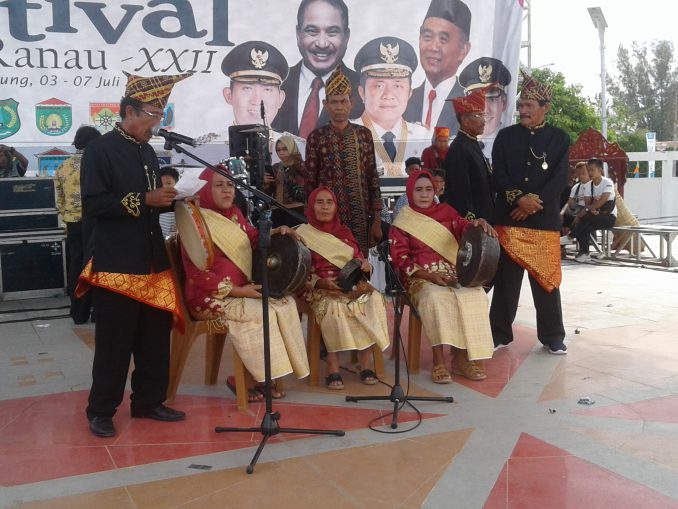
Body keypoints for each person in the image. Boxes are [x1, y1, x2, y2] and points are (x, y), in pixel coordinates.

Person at [77, 71, 192, 438]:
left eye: (160, 116)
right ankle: (101, 410)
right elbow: (94, 204)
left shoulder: (147, 152)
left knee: (154, 338)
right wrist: (145, 199)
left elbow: (149, 205)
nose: (156, 124)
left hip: (152, 260)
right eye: (152, 115)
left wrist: (172, 199)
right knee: (115, 343)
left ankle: (148, 401)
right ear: (129, 111)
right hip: (118, 263)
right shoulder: (100, 150)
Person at [181, 169, 310, 401]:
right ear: (205, 189)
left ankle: (266, 374)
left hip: (243, 290)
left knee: (285, 303)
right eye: (219, 185)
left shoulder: (234, 214)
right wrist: (239, 291)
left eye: (230, 185)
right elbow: (196, 274)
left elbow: (252, 238)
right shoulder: (195, 222)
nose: (226, 190)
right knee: (259, 313)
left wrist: (276, 232)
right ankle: (252, 379)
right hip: (208, 297)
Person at [489, 71, 570, 355]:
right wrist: (519, 200)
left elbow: (560, 179)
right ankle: (498, 333)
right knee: (506, 283)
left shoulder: (560, 138)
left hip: (543, 222)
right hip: (509, 219)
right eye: (521, 105)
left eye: (529, 106)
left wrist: (533, 203)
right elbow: (499, 173)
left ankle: (553, 336)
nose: (522, 110)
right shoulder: (505, 136)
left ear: (545, 108)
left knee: (546, 281)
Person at [390, 170, 496, 382]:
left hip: (453, 272)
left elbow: (465, 227)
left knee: (475, 295)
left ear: (435, 191)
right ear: (410, 191)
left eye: (428, 189)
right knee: (436, 298)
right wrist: (430, 276)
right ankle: (439, 361)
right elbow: (400, 259)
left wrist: (478, 223)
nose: (424, 194)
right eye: (418, 190)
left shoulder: (447, 212)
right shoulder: (403, 221)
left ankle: (462, 359)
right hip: (420, 277)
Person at [297, 186, 389, 389]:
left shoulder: (344, 231)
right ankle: (333, 365)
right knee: (334, 308)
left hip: (351, 284)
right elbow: (299, 270)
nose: (325, 207)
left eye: (329, 202)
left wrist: (365, 266)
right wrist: (320, 282)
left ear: (335, 207)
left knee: (373, 300)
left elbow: (358, 259)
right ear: (310, 206)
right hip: (321, 288)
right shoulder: (303, 234)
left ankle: (365, 363)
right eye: (319, 202)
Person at [305, 66, 383, 256]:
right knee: (329, 264)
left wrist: (377, 221)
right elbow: (310, 185)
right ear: (325, 104)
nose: (339, 107)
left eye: (343, 101)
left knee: (360, 266)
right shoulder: (316, 137)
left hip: (360, 218)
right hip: (327, 218)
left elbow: (372, 178)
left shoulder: (364, 135)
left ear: (351, 103)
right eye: (334, 102)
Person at [272, 0, 363, 138]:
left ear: (346, 37)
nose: (322, 43)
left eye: (332, 32)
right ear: (298, 34)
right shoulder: (275, 86)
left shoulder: (365, 92)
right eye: (312, 31)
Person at [352, 36, 431, 176]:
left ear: (409, 93)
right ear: (362, 92)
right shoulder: (348, 136)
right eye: (379, 86)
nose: (388, 95)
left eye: (397, 86)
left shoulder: (423, 137)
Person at [54, 125, 101, 324]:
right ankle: (98, 312)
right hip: (95, 222)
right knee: (97, 265)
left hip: (73, 224)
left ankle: (78, 313)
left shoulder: (63, 167)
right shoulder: (97, 164)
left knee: (76, 265)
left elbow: (59, 200)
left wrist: (68, 216)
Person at [404, 0, 472, 133]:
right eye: (427, 37)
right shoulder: (403, 103)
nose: (433, 47)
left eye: (443, 39)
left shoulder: (471, 108)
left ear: (463, 50)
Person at [443, 88, 494, 221]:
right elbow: (460, 192)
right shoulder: (459, 149)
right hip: (474, 223)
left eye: (484, 115)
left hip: (485, 219)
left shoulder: (472, 143)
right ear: (465, 119)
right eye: (478, 116)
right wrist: (471, 222)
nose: (483, 121)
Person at [221, 40, 289, 127]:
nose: (257, 101)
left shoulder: (293, 138)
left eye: (267, 90)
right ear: (229, 95)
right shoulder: (211, 137)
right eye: (247, 88)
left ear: (281, 99)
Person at [458, 56, 512, 161]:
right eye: (476, 100)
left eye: (491, 99)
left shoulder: (513, 144)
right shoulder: (456, 145)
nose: (484, 109)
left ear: (504, 102)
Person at [570, 158, 617, 263]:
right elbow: (588, 203)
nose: (590, 173)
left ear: (600, 170)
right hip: (593, 216)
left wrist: (589, 210)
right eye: (588, 170)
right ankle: (585, 253)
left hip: (608, 217)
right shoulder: (588, 185)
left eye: (592, 170)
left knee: (584, 219)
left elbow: (602, 201)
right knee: (584, 226)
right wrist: (590, 210)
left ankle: (570, 236)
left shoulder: (608, 183)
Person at [262, 135, 306, 227]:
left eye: (285, 149)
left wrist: (296, 160)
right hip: (278, 211)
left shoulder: (302, 165)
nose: (281, 153)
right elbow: (268, 193)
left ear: (292, 148)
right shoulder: (276, 167)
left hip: (297, 211)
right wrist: (266, 184)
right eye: (278, 150)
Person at [560, 161, 590, 237]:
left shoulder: (594, 186)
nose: (581, 176)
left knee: (583, 220)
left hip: (588, 212)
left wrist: (579, 215)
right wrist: (562, 213)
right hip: (577, 211)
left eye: (583, 173)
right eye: (579, 174)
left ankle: (570, 237)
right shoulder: (576, 187)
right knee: (559, 217)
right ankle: (563, 239)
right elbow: (569, 202)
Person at [159, 166, 180, 238]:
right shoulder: (154, 204)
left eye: (168, 183)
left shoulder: (181, 202)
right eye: (160, 184)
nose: (164, 187)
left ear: (177, 184)